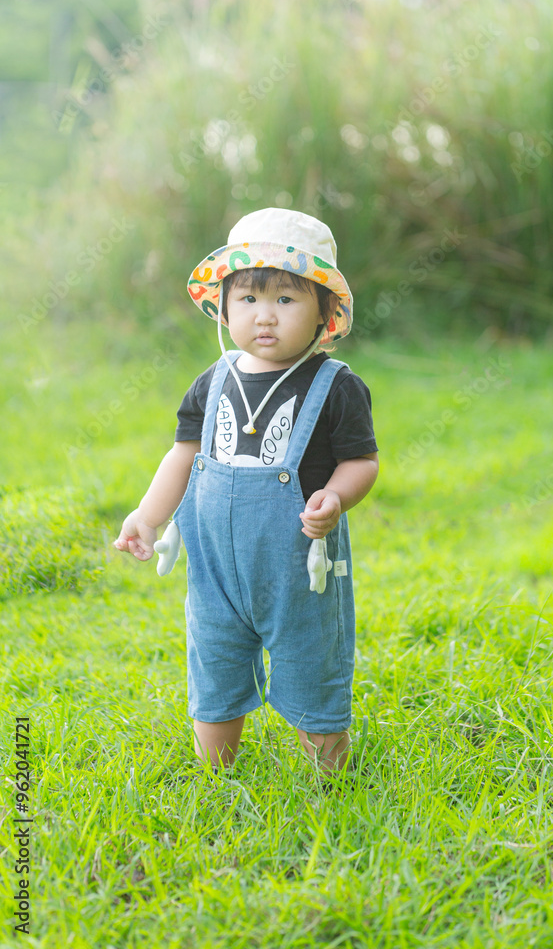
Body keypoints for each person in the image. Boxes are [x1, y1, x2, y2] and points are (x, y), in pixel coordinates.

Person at [114, 207, 379, 780]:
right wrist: (148, 515)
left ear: (323, 312)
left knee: (313, 665)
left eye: (285, 299)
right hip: (214, 571)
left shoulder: (336, 386)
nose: (265, 315)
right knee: (215, 666)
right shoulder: (213, 382)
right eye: (249, 298)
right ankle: (216, 774)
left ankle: (328, 775)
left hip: (299, 569)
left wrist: (336, 497)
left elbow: (361, 461)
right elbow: (183, 455)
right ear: (224, 308)